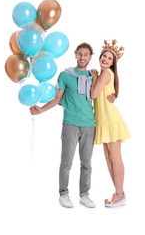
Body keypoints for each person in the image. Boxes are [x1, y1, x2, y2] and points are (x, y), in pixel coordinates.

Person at [30, 42, 115, 208]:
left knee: (86, 164)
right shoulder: (65, 75)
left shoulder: (94, 76)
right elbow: (56, 99)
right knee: (66, 162)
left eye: (86, 55)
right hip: (70, 123)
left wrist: (114, 96)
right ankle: (64, 193)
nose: (83, 57)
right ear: (76, 54)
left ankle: (84, 195)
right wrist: (41, 110)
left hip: (90, 124)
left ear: (91, 57)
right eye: (80, 54)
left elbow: (105, 91)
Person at [90, 39, 130, 208]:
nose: (105, 59)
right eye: (104, 56)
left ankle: (120, 194)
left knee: (115, 158)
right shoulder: (104, 74)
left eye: (109, 58)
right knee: (108, 157)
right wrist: (96, 77)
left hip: (110, 121)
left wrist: (94, 79)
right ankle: (118, 193)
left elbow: (93, 95)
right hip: (104, 121)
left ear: (113, 63)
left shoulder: (106, 74)